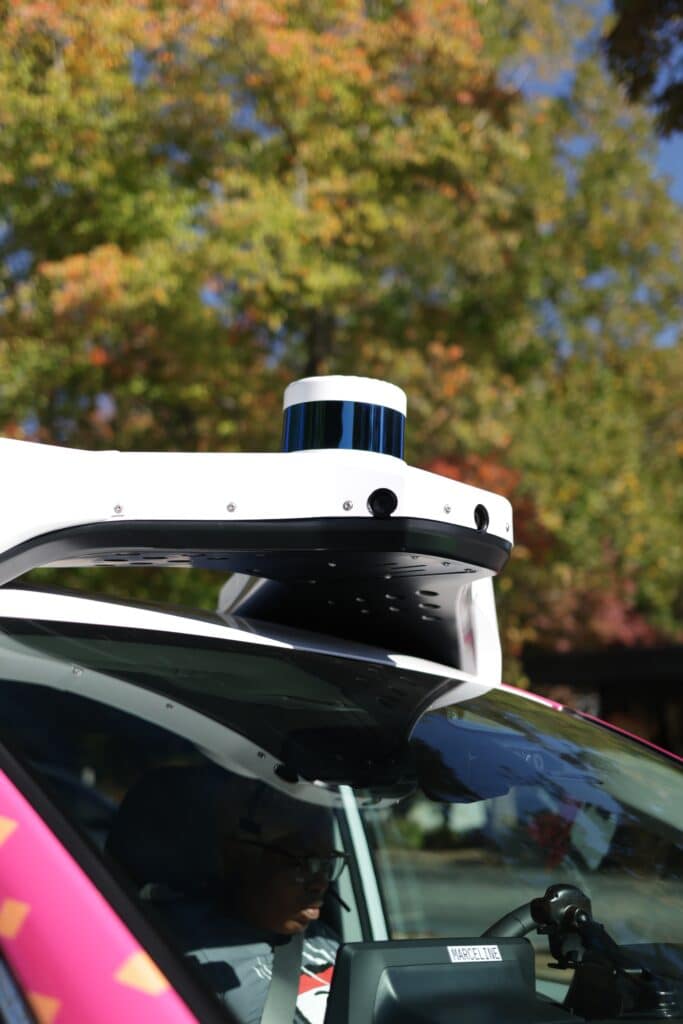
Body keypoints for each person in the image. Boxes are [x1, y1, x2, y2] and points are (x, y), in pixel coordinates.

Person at [106, 765, 343, 1024]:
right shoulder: (179, 964)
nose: (320, 883)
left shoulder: (322, 936)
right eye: (301, 863)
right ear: (237, 856)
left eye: (327, 864)